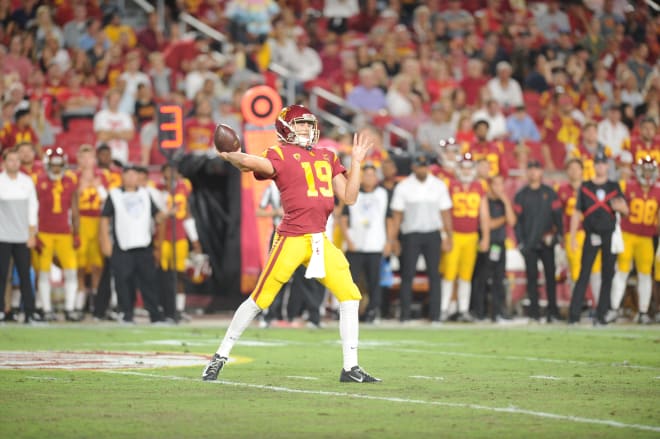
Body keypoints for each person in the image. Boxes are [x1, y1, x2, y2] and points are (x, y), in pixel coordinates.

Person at [202, 104, 381, 383]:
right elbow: (254, 163)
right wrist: (232, 156)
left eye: (309, 124)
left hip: (319, 239)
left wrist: (356, 162)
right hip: (292, 238)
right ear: (285, 128)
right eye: (300, 124)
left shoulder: (327, 155)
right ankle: (219, 357)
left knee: (350, 296)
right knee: (260, 299)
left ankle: (351, 367)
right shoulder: (279, 153)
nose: (307, 129)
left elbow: (349, 196)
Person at [99, 164, 169, 324]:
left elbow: (156, 216)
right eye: (128, 175)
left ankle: (155, 314)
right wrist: (105, 242)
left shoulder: (145, 194)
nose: (131, 178)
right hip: (123, 245)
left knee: (149, 282)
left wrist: (164, 216)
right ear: (122, 177)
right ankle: (126, 313)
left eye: (134, 175)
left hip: (143, 245)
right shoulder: (114, 194)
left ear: (138, 178)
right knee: (123, 282)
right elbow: (104, 219)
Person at [389, 152, 453, 323]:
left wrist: (448, 236)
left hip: (433, 233)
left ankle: (436, 315)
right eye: (419, 166)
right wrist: (393, 239)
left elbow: (445, 213)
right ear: (413, 167)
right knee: (407, 274)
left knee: (434, 274)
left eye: (425, 166)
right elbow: (397, 216)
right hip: (411, 234)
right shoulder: (403, 187)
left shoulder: (439, 185)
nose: (422, 169)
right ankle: (405, 315)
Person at [568, 151, 629, 325]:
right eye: (597, 164)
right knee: (584, 273)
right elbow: (577, 213)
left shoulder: (614, 186)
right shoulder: (586, 186)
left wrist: (621, 208)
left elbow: (625, 211)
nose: (600, 166)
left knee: (607, 274)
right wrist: (572, 237)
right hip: (591, 234)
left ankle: (603, 314)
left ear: (607, 166)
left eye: (603, 163)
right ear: (593, 166)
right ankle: (574, 314)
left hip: (609, 234)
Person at [609, 156, 660, 324]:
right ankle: (614, 308)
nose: (647, 174)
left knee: (645, 275)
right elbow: (614, 201)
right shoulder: (628, 186)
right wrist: (620, 207)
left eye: (650, 171)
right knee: (622, 271)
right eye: (644, 170)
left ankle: (643, 311)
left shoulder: (657, 190)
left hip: (646, 237)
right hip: (627, 235)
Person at [440, 154, 490, 322]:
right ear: (458, 169)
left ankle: (463, 310)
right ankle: (444, 308)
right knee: (449, 273)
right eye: (463, 168)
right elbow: (444, 212)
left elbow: (484, 214)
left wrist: (486, 237)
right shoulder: (450, 185)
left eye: (469, 168)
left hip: (471, 236)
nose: (467, 171)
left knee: (466, 275)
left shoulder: (479, 187)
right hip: (454, 235)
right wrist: (445, 235)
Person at [339, 163, 391, 323]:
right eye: (366, 175)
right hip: (356, 245)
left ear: (376, 178)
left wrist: (389, 241)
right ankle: (349, 313)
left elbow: (390, 219)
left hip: (376, 244)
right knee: (351, 281)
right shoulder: (353, 194)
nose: (369, 178)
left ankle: (372, 312)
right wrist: (348, 240)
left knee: (374, 282)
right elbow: (343, 219)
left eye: (372, 175)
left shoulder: (384, 194)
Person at [513, 160, 563, 323]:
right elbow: (517, 222)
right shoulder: (521, 195)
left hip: (547, 243)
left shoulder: (550, 193)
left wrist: (557, 237)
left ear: (541, 172)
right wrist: (520, 242)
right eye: (531, 169)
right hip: (529, 244)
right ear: (527, 172)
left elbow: (558, 217)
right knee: (532, 278)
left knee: (550, 278)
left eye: (537, 169)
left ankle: (552, 312)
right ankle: (534, 313)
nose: (534, 172)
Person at [35, 147, 80, 321]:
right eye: (53, 165)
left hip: (64, 233)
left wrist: (76, 233)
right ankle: (46, 308)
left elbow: (74, 210)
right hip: (44, 232)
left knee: (71, 271)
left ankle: (69, 308)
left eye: (58, 165)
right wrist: (35, 232)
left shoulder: (70, 182)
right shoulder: (39, 181)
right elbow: (34, 208)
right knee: (44, 272)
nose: (56, 168)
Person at [0, 147, 40, 323]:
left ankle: (29, 312)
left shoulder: (27, 182)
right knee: (1, 275)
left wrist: (32, 234)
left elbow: (33, 208)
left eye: (17, 160)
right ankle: (1, 310)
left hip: (23, 236)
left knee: (25, 274)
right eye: (11, 160)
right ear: (4, 162)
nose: (14, 163)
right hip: (2, 236)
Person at [156, 164, 201, 322]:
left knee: (180, 274)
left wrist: (194, 240)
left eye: (173, 170)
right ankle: (164, 306)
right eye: (168, 171)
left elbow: (187, 214)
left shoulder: (183, 187)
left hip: (180, 236)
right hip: (163, 238)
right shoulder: (158, 191)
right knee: (164, 274)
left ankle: (179, 309)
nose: (171, 173)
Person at [472, 174, 516, 322]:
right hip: (487, 244)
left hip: (500, 244)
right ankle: (479, 312)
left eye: (501, 184)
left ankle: (497, 312)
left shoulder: (503, 202)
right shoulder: (485, 201)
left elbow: (512, 220)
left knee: (499, 279)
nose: (499, 188)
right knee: (482, 279)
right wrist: (502, 220)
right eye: (496, 184)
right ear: (490, 186)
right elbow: (488, 224)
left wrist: (506, 203)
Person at [75, 145, 108, 317]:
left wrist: (97, 186)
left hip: (97, 222)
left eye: (90, 157)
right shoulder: (73, 177)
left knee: (97, 265)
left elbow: (107, 199)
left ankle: (96, 304)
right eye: (84, 157)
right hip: (81, 221)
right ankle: (79, 304)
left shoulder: (103, 176)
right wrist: (82, 186)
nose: (87, 161)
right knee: (79, 265)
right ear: (79, 160)